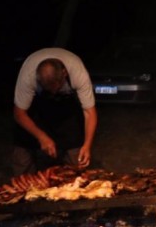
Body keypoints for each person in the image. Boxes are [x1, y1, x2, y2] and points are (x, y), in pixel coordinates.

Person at [12, 47, 98, 175]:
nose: (52, 92)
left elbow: (89, 112)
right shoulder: (28, 75)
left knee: (77, 163)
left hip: (67, 111)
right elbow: (19, 114)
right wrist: (42, 137)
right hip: (36, 111)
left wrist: (87, 145)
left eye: (55, 87)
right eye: (47, 88)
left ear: (64, 73)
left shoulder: (77, 71)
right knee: (22, 158)